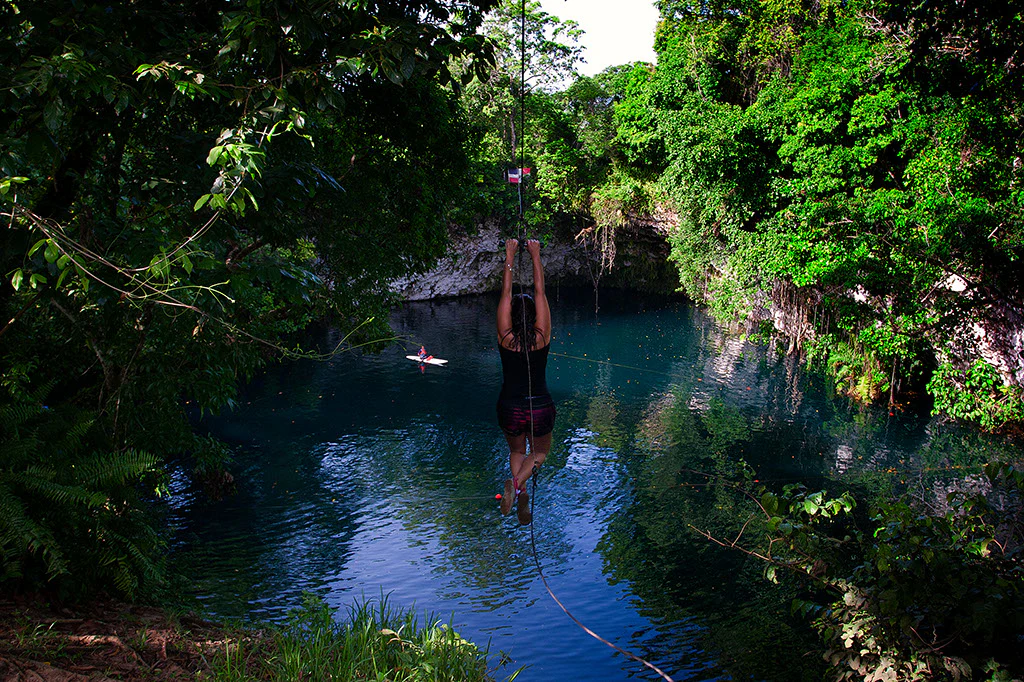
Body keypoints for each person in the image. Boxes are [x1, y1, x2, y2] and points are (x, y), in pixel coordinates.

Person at [496, 238, 555, 525]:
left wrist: (510, 255)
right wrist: (535, 255)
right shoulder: (541, 336)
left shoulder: (505, 338)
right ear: (533, 317)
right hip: (540, 405)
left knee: (517, 450)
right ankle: (517, 485)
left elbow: (507, 295)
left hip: (510, 406)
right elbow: (541, 291)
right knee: (540, 452)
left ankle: (518, 490)